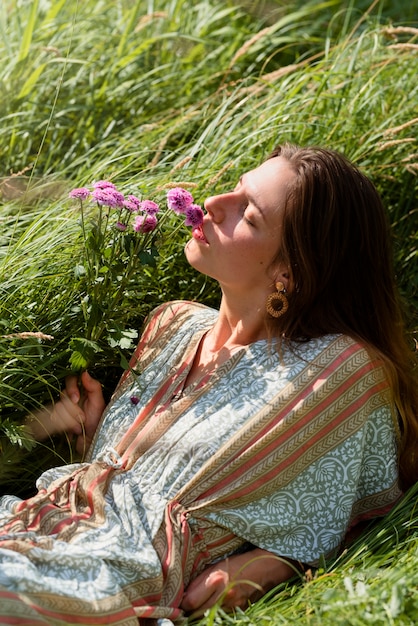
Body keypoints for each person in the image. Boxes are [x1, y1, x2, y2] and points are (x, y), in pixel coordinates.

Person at [0, 143, 417, 625]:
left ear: (290, 272)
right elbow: (132, 484)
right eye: (235, 187)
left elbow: (351, 503)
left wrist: (270, 565)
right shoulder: (171, 325)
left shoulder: (337, 369)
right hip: (35, 525)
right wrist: (96, 444)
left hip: (114, 572)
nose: (214, 204)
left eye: (250, 213)